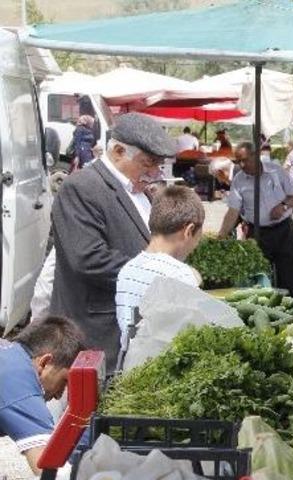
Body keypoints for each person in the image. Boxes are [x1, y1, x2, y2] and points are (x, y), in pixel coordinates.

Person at [50, 112, 175, 373]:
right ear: (118, 151)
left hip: (127, 330)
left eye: (158, 165)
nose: (154, 173)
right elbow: (88, 259)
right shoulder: (81, 187)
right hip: (96, 334)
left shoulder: (139, 192)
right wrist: (158, 273)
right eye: (148, 163)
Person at [115, 186, 204, 368]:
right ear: (189, 230)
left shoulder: (128, 270)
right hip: (163, 374)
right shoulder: (180, 276)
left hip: (130, 369)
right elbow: (192, 336)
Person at [0, 317, 87, 474]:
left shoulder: (8, 353)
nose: (59, 395)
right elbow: (51, 470)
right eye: (64, 381)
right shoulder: (18, 381)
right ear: (45, 363)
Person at [217, 142, 293, 301]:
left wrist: (283, 206)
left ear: (255, 156)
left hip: (284, 230)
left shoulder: (276, 171)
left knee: (290, 275)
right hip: (257, 233)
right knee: (257, 278)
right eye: (238, 161)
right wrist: (221, 235)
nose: (242, 165)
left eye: (245, 160)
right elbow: (233, 211)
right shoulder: (239, 180)